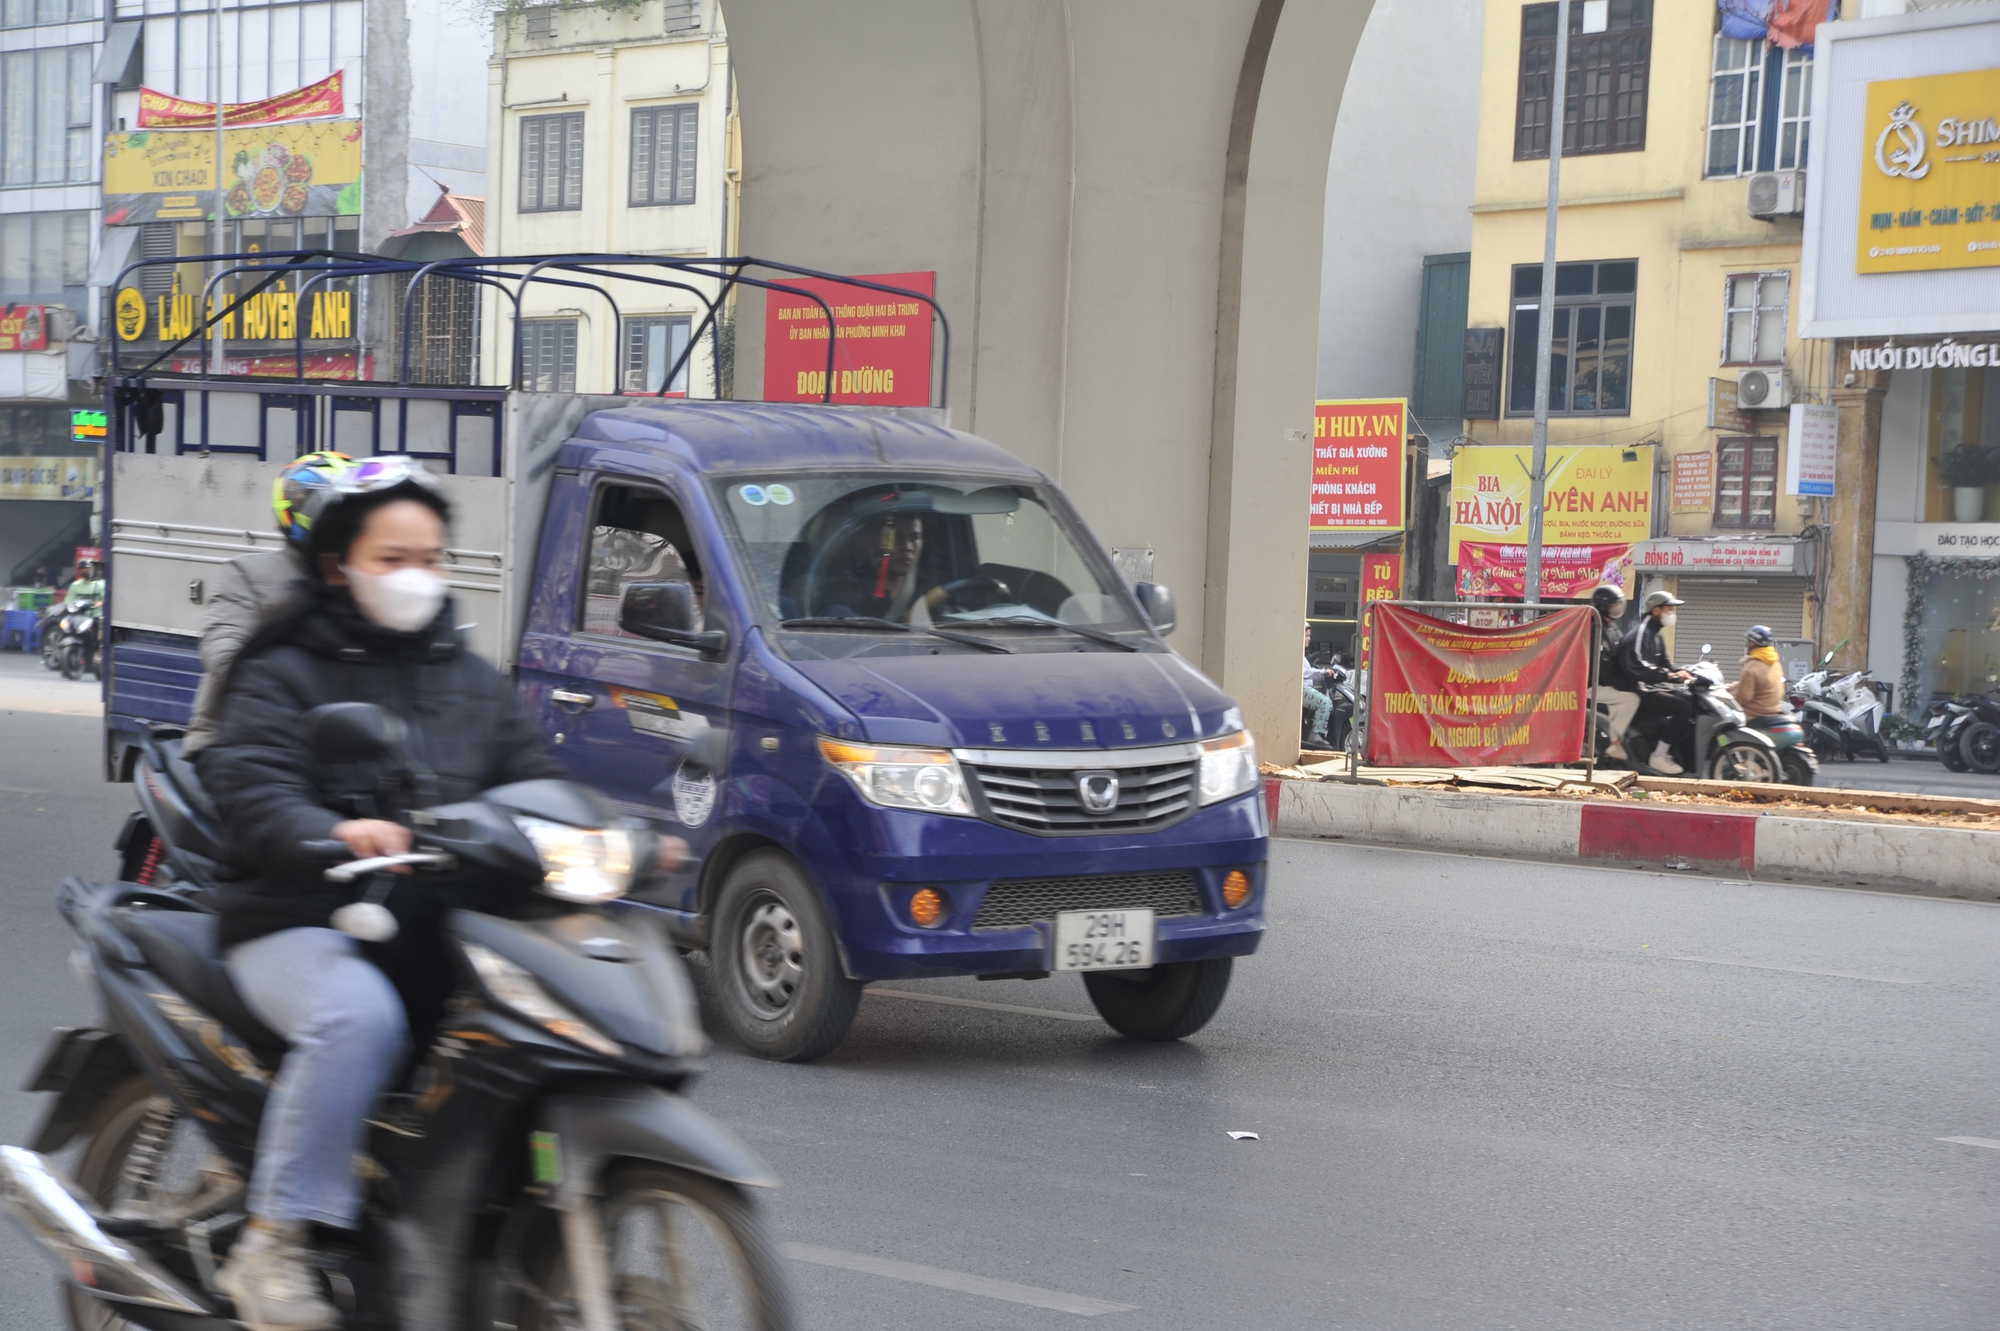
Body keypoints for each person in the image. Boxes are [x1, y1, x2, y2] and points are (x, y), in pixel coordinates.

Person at [196, 456, 575, 1331]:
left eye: (431, 556)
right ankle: (275, 1242)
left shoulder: (467, 675)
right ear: (339, 562)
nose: (417, 576)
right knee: (358, 1019)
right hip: (297, 913)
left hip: (427, 915)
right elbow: (253, 791)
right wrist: (334, 831)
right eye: (393, 556)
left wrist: (619, 836)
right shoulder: (283, 667)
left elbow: (537, 777)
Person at [182, 451, 352, 756]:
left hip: (333, 747)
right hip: (236, 740)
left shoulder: (365, 582)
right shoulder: (246, 574)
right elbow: (223, 652)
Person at [1618, 589, 1695, 774]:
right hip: (1642, 692)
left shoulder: (1656, 634)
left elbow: (1666, 664)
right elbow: (1637, 665)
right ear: (1656, 611)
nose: (1672, 614)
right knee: (1682, 707)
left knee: (1693, 702)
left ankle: (1674, 751)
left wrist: (1684, 672)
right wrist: (1668, 676)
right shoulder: (1640, 633)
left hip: (1655, 687)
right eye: (1669, 609)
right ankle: (1658, 756)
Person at [1589, 585, 1640, 761]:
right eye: (1614, 605)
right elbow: (1604, 669)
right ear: (1602, 607)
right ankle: (1615, 743)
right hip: (1593, 685)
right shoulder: (1595, 629)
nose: (1618, 608)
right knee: (1631, 698)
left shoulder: (1612, 628)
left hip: (1606, 682)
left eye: (1619, 604)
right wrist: (1625, 684)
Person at [1729, 624, 1786, 720]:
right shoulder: (1775, 663)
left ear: (1753, 643)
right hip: (1773, 712)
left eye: (1749, 641)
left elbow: (1743, 698)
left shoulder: (1751, 668)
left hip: (1753, 715)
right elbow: (1762, 685)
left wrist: (1730, 703)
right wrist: (1735, 686)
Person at [1301, 624, 1333, 749]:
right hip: (1300, 690)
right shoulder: (1295, 653)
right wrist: (1322, 672)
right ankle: (1315, 734)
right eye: (1306, 635)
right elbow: (1304, 673)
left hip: (1304, 687)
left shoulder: (1301, 655)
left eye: (1309, 636)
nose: (1309, 639)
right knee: (1325, 703)